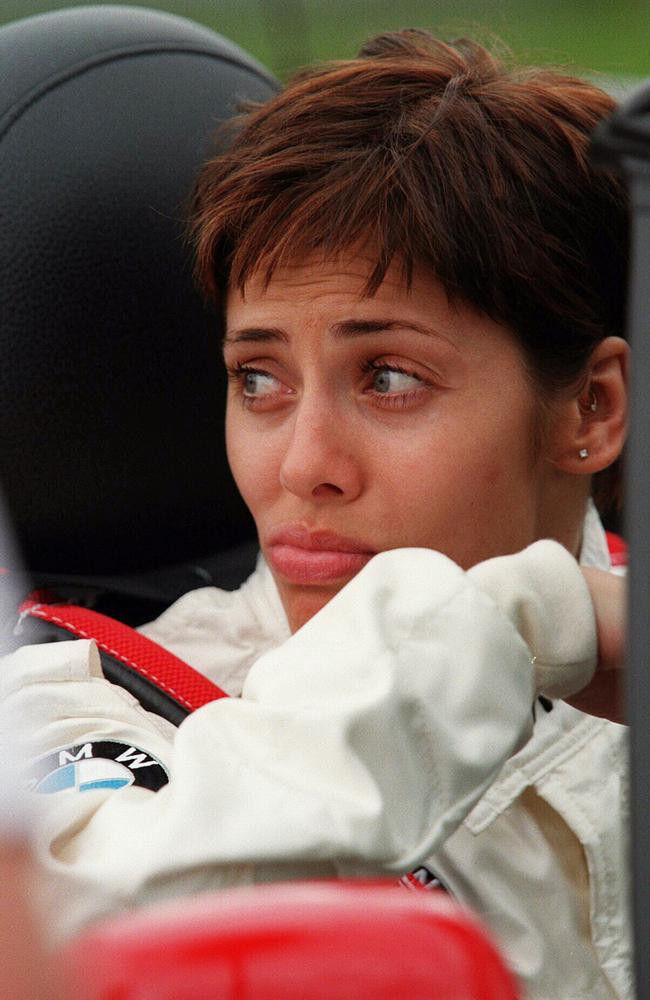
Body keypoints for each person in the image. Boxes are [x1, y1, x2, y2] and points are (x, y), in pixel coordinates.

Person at [1, 30, 630, 999]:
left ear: (589, 409)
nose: (301, 465)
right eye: (258, 379)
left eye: (385, 377)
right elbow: (76, 950)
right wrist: (526, 615)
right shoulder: (80, 699)